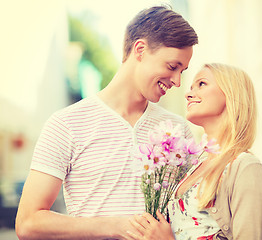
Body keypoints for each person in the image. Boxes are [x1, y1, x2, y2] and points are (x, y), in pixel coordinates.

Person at [15, 5, 198, 240]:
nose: (177, 81)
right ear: (140, 50)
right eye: (172, 67)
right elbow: (28, 223)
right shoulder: (66, 124)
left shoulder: (177, 129)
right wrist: (118, 226)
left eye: (182, 71)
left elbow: (193, 214)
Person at [128, 63, 262, 240]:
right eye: (191, 87)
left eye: (202, 84)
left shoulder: (245, 167)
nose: (188, 94)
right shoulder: (194, 164)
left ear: (231, 93)